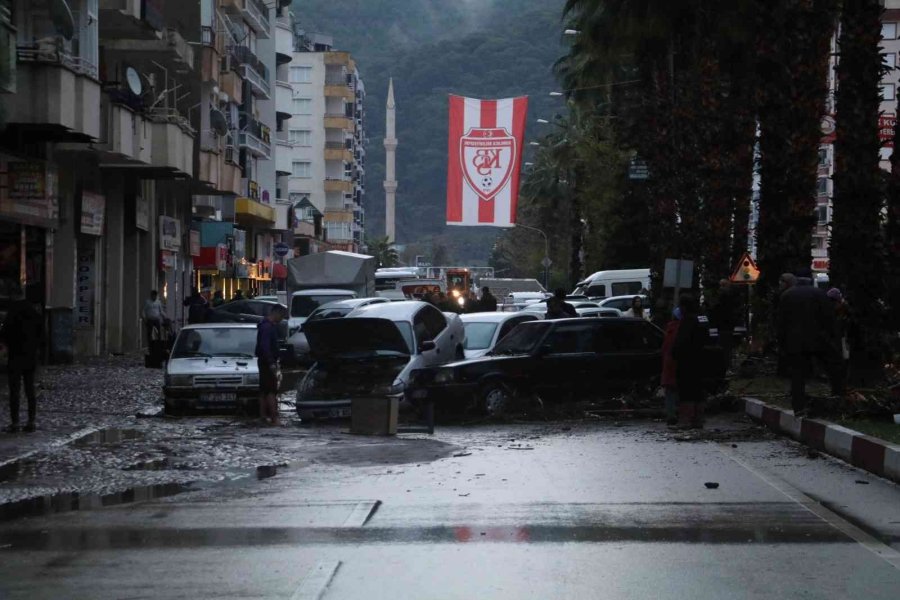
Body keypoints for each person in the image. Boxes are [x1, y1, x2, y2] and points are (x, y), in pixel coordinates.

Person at [777, 269, 843, 417]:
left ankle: (798, 407)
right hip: (817, 339)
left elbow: (781, 323)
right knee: (832, 368)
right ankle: (838, 397)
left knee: (798, 375)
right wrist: (832, 338)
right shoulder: (819, 294)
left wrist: (782, 344)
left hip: (794, 342)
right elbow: (828, 318)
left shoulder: (787, 295)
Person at [0, 286, 42, 433]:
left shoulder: (12, 312)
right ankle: (31, 420)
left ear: (13, 295)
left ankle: (15, 422)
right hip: (30, 356)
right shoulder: (32, 311)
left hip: (15, 355)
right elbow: (41, 333)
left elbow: (4, 333)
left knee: (15, 390)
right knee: (30, 389)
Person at [671, 294, 709, 429]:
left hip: (687, 361)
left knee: (686, 391)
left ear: (684, 306)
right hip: (702, 360)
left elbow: (681, 342)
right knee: (698, 390)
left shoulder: (688, 320)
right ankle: (698, 420)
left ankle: (685, 421)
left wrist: (674, 353)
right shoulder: (703, 318)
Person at [256, 304, 286, 426]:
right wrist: (271, 363)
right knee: (271, 391)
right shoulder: (268, 328)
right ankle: (274, 418)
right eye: (282, 316)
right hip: (268, 362)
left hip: (264, 362)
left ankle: (263, 417)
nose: (282, 319)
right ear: (276, 313)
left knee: (264, 390)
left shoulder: (265, 326)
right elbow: (265, 346)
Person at [711, 279, 739, 370]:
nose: (721, 288)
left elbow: (714, 314)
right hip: (726, 328)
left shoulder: (722, 299)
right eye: (721, 285)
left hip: (724, 328)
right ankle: (726, 367)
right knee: (726, 350)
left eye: (723, 285)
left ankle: (724, 367)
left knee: (724, 349)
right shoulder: (732, 299)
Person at [661, 306, 682, 426]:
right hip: (678, 363)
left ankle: (671, 414)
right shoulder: (681, 328)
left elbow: (664, 347)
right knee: (678, 390)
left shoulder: (670, 328)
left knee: (670, 391)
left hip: (669, 363)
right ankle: (677, 414)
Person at [827, 287, 851, 384]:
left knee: (844, 357)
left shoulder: (844, 309)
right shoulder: (837, 309)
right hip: (838, 336)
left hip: (843, 337)